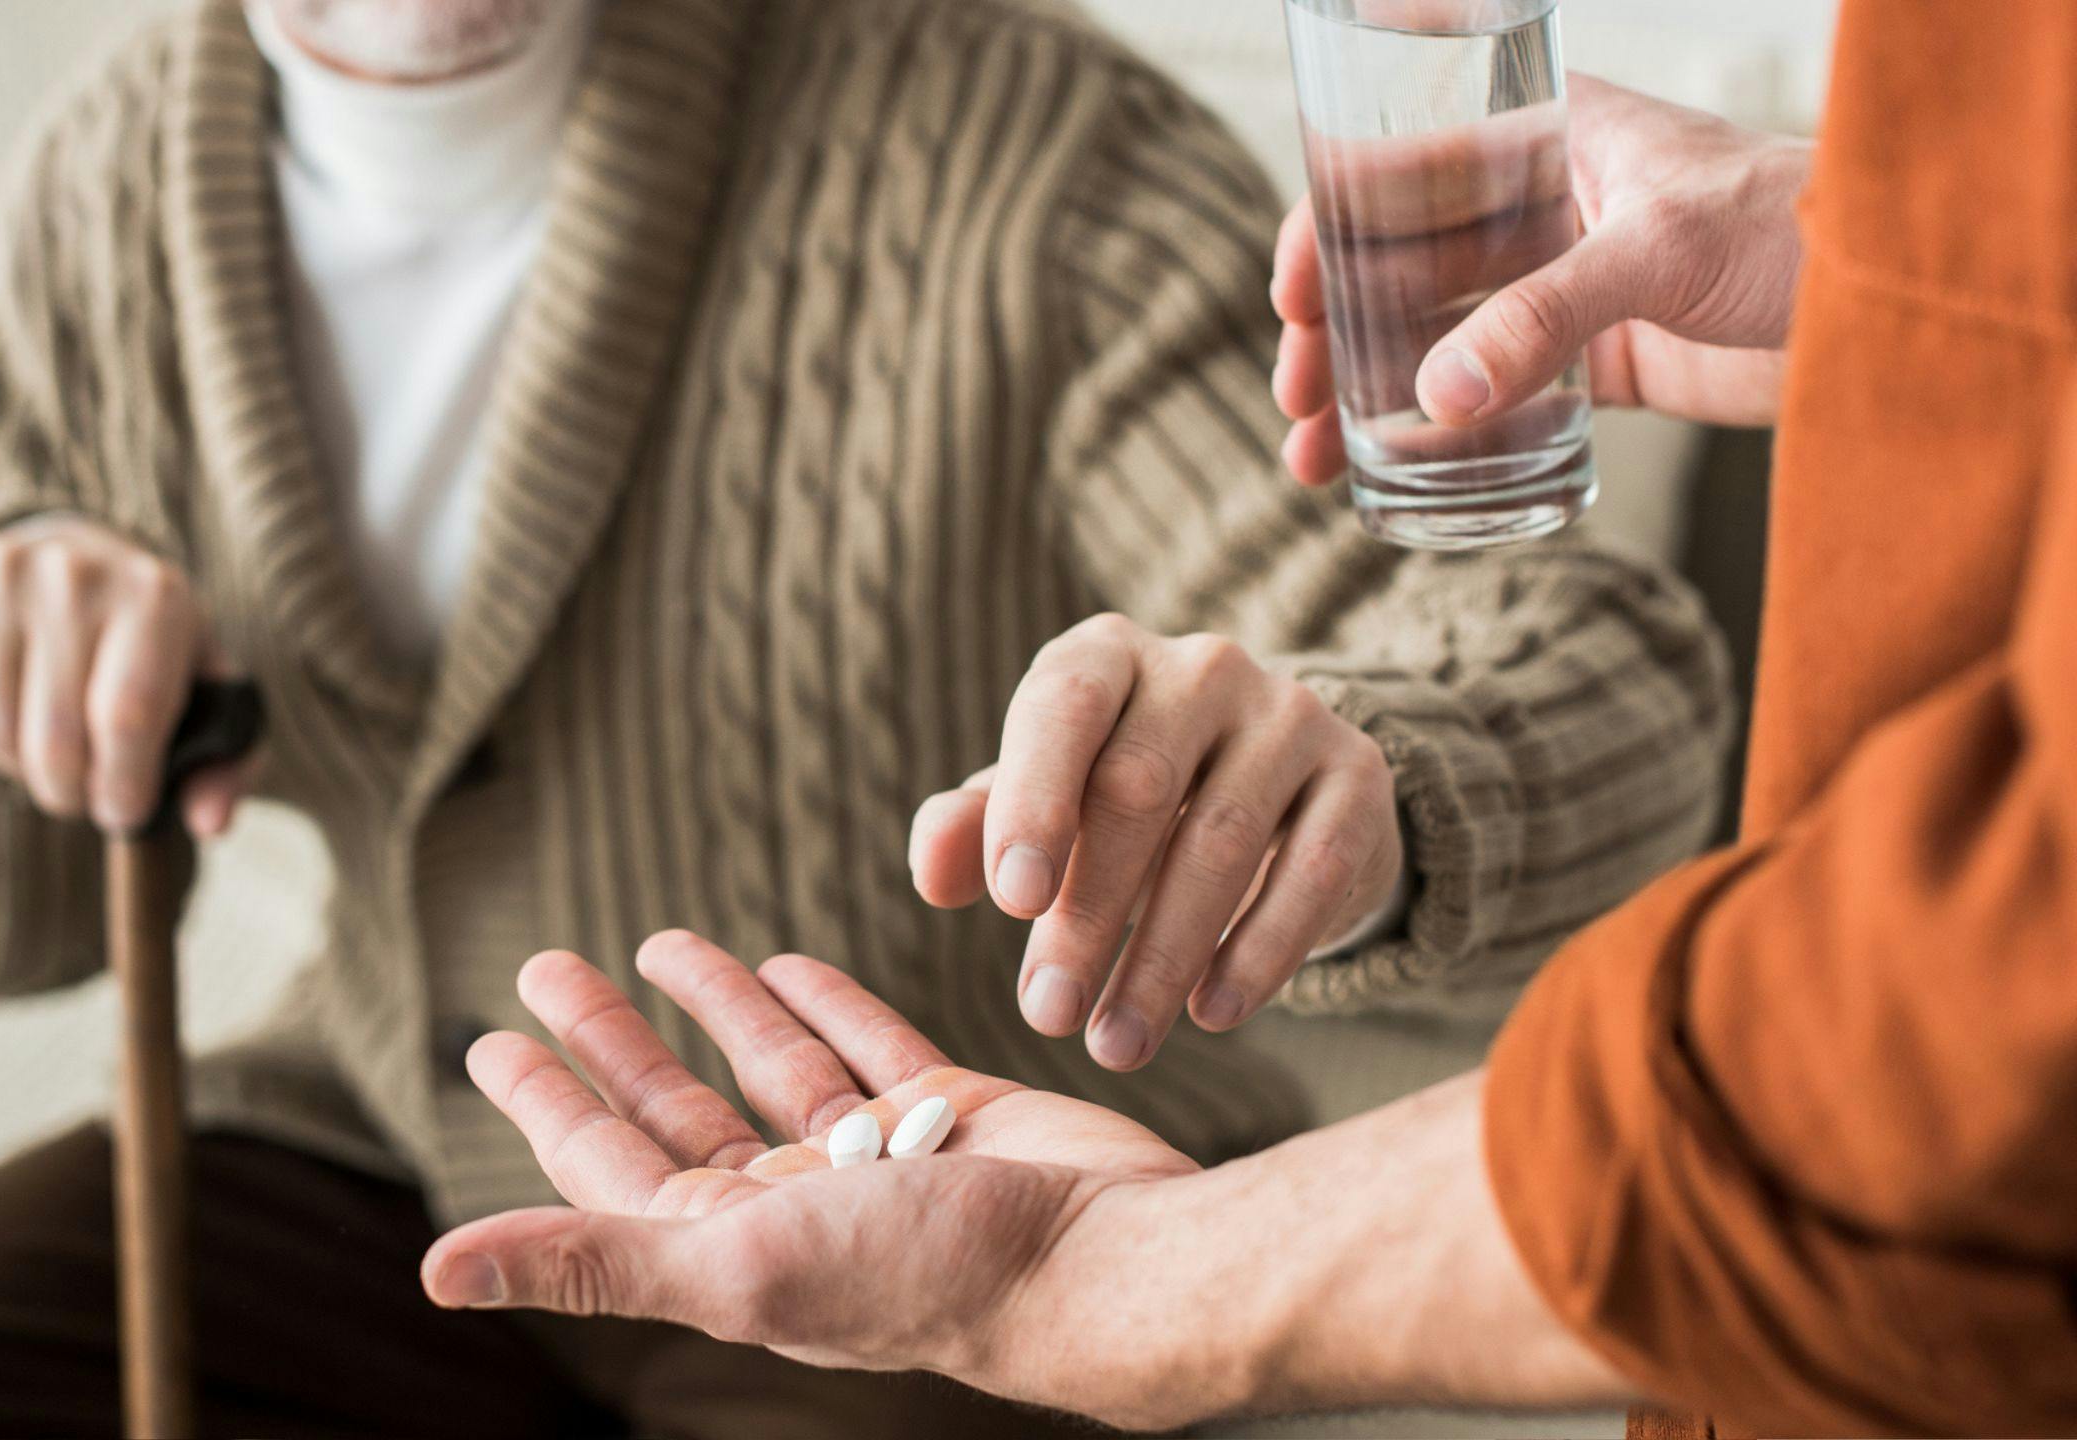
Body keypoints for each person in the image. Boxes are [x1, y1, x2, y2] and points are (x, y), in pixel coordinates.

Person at [0, 0, 1728, 1434]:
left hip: (943, 1219)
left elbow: (1584, 671)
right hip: (386, 1157)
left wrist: (1356, 779)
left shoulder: (1017, 155)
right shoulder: (109, 193)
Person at [411, 2, 2077, 1434]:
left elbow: (1962, 1044)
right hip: (368, 1146)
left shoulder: (1015, 154)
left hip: (915, 1182)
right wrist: (1908, 277)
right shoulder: (143, 163)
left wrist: (1115, 1266)